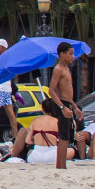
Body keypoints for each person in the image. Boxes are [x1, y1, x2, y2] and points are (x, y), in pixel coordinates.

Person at [36, 41, 81, 169]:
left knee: (66, 137)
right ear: (62, 54)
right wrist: (62, 107)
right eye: (70, 54)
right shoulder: (58, 69)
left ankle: (62, 165)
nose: (73, 56)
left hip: (67, 103)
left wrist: (74, 106)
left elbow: (67, 93)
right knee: (64, 137)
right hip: (61, 105)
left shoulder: (67, 69)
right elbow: (51, 90)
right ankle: (60, 166)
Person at [0, 39, 18, 143]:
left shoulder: (3, 59)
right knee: (11, 116)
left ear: (2, 48)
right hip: (7, 90)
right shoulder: (8, 58)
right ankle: (15, 136)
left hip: (2, 89)